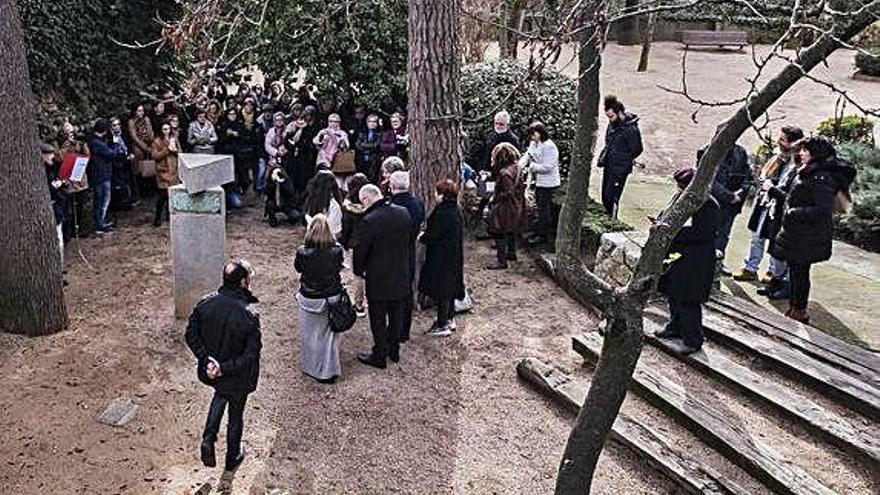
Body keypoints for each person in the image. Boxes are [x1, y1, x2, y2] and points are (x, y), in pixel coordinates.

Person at [185, 260, 261, 472]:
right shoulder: (249, 316)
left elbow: (191, 335)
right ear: (243, 283)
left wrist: (206, 360)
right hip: (236, 375)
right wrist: (224, 367)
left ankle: (209, 437)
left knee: (220, 393)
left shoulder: (205, 304)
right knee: (236, 413)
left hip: (213, 371)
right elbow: (250, 355)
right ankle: (232, 456)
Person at [771, 136, 855, 324]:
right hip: (800, 233)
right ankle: (795, 308)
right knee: (796, 272)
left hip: (808, 235)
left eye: (806, 151)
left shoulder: (821, 177)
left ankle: (799, 310)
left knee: (800, 273)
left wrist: (794, 212)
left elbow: (822, 209)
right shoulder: (811, 172)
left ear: (815, 154)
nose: (802, 153)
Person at [655, 167, 721, 355]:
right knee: (674, 294)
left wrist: (672, 231)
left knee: (688, 300)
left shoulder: (708, 205)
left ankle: (693, 339)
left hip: (695, 261)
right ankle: (675, 327)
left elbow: (701, 233)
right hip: (678, 257)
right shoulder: (680, 198)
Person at [733, 125, 804, 283]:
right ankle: (751, 268)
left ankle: (773, 271)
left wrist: (772, 187)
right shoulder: (777, 156)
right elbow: (766, 174)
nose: (779, 142)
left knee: (775, 239)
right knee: (757, 236)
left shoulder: (796, 162)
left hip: (779, 206)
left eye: (783, 140)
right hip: (765, 201)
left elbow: (788, 185)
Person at [353, 184, 412, 369]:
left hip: (378, 276)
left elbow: (361, 251)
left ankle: (379, 354)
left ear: (366, 200)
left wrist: (358, 270)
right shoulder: (403, 213)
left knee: (378, 317)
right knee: (396, 314)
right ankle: (394, 350)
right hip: (401, 271)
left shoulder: (370, 220)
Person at [295, 215, 345, 383]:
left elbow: (298, 268)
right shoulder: (337, 250)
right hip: (331, 296)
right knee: (329, 336)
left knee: (309, 334)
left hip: (309, 297)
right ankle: (328, 370)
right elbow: (339, 267)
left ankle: (311, 366)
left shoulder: (302, 251)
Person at [697, 133, 754, 267]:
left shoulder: (740, 152)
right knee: (706, 233)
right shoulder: (706, 152)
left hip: (731, 205)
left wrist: (740, 193)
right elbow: (707, 179)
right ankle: (703, 264)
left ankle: (717, 265)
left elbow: (747, 176)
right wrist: (729, 196)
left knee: (723, 235)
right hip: (711, 202)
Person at [419, 179, 465, 337]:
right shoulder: (455, 210)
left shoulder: (443, 212)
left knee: (442, 290)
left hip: (441, 256)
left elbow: (433, 234)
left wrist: (422, 237)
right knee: (450, 288)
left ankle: (442, 323)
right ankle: (449, 318)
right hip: (453, 255)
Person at [389, 171, 425, 342]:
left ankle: (394, 329)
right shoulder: (417, 205)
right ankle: (404, 331)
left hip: (391, 252)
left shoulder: (390, 206)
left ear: (392, 186)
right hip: (408, 251)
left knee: (391, 293)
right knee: (406, 291)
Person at [598, 95, 643, 218]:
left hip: (620, 168)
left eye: (611, 116)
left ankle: (612, 219)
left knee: (612, 197)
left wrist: (624, 158)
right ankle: (607, 217)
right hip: (609, 164)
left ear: (619, 113)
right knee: (605, 196)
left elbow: (637, 149)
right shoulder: (612, 125)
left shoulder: (630, 129)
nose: (610, 120)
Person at [519, 121, 561, 245]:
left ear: (540, 133)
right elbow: (527, 156)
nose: (532, 137)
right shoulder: (534, 144)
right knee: (539, 208)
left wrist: (533, 167)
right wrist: (519, 167)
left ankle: (543, 236)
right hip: (539, 182)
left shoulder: (549, 146)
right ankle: (538, 231)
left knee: (544, 210)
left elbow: (548, 166)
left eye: (534, 134)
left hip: (549, 183)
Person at [487, 143, 526, 270]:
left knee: (499, 232)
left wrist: (495, 198)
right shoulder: (517, 167)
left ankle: (501, 261)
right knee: (511, 230)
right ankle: (511, 252)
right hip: (517, 204)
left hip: (505, 207)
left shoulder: (505, 173)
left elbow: (507, 192)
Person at [87, 119, 127, 234]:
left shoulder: (94, 140)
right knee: (103, 200)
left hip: (101, 173)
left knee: (102, 199)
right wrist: (115, 143)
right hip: (101, 174)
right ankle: (100, 224)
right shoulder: (97, 143)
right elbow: (112, 154)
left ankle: (102, 221)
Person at [340, 174, 370, 317]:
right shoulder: (372, 204)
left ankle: (359, 305)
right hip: (371, 241)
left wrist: (344, 243)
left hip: (355, 242)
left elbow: (346, 227)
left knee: (357, 275)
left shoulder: (348, 206)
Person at [55, 121, 90, 239]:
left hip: (79, 176)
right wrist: (66, 145)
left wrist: (82, 144)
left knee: (80, 205)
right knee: (68, 208)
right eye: (67, 129)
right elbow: (59, 158)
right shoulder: (60, 143)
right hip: (68, 179)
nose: (70, 132)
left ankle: (80, 228)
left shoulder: (79, 141)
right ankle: (68, 233)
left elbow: (87, 156)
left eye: (71, 129)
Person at [151, 122, 182, 226]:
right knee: (162, 196)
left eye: (168, 129)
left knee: (172, 196)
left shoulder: (174, 139)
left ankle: (170, 216)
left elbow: (180, 152)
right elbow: (155, 156)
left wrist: (175, 150)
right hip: (162, 171)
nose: (166, 131)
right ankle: (158, 217)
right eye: (164, 129)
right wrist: (167, 150)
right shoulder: (156, 141)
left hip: (173, 170)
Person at [43, 142, 67, 273]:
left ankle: (60, 268)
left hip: (57, 207)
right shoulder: (44, 171)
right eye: (49, 154)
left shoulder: (53, 168)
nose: (52, 156)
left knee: (60, 241)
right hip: (50, 207)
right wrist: (57, 185)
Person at [304, 171, 343, 238]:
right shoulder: (334, 206)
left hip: (312, 238)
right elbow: (335, 230)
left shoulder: (311, 202)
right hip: (328, 241)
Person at [127, 103, 155, 191]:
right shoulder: (131, 121)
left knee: (149, 166)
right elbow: (134, 137)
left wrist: (147, 123)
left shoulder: (146, 119)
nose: (141, 113)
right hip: (138, 146)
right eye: (139, 111)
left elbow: (151, 134)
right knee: (138, 169)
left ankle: (149, 188)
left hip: (148, 144)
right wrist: (145, 148)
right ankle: (140, 190)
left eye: (142, 111)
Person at [354, 113, 383, 182]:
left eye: (374, 122)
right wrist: (368, 147)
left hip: (373, 159)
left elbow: (375, 146)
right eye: (370, 121)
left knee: (372, 178)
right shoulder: (362, 132)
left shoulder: (380, 133)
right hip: (361, 158)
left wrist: (364, 145)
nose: (371, 124)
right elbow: (357, 145)